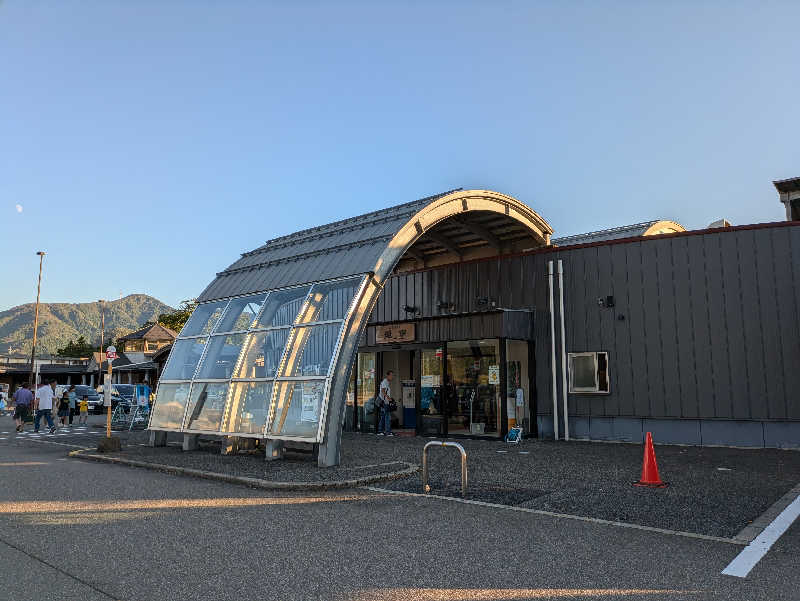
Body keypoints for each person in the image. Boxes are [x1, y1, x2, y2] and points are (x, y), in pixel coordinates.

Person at [377, 370, 394, 436]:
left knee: (383, 416)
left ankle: (380, 431)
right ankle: (388, 432)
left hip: (384, 402)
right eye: (391, 375)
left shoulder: (386, 382)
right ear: (388, 375)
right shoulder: (385, 382)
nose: (392, 377)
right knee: (387, 416)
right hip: (384, 402)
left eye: (393, 375)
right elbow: (383, 391)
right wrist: (388, 398)